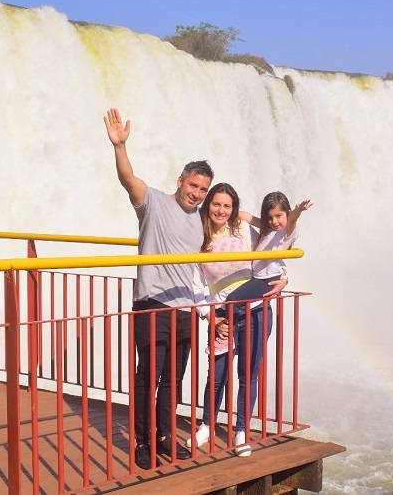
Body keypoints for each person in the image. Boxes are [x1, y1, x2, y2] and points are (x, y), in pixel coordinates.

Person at [104, 108, 217, 470]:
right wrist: (120, 146)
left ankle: (166, 438)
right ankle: (142, 441)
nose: (196, 194)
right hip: (152, 303)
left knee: (174, 378)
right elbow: (127, 179)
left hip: (184, 308)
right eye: (193, 186)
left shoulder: (201, 222)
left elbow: (234, 216)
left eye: (202, 190)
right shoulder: (153, 201)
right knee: (147, 377)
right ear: (181, 180)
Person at [188, 183, 287, 457]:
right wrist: (210, 316)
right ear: (208, 205)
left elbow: (272, 252)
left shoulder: (244, 229)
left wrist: (285, 277)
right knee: (216, 375)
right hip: (221, 316)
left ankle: (241, 430)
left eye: (227, 205)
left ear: (234, 209)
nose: (221, 210)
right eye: (216, 204)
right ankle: (207, 425)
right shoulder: (199, 238)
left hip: (255, 310)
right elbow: (196, 286)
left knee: (247, 374)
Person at [231, 191, 312, 302]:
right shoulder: (268, 229)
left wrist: (298, 210)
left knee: (232, 299)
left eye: (278, 216)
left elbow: (292, 219)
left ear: (288, 213)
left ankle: (232, 319)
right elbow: (247, 217)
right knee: (236, 300)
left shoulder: (286, 233)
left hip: (268, 279)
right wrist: (227, 211)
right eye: (269, 217)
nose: (274, 221)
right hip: (258, 277)